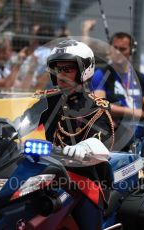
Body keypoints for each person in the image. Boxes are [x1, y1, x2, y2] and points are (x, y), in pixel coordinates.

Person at [36, 39, 114, 230]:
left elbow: (102, 141)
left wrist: (83, 148)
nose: (61, 75)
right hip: (48, 174)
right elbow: (20, 120)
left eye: (67, 69)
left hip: (82, 178)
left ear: (84, 70)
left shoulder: (96, 107)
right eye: (57, 69)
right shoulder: (47, 101)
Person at [90, 32, 144, 150]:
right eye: (114, 48)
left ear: (132, 51)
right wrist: (132, 112)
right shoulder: (101, 75)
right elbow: (99, 105)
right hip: (116, 131)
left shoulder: (140, 77)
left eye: (122, 49)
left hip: (141, 131)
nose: (117, 52)